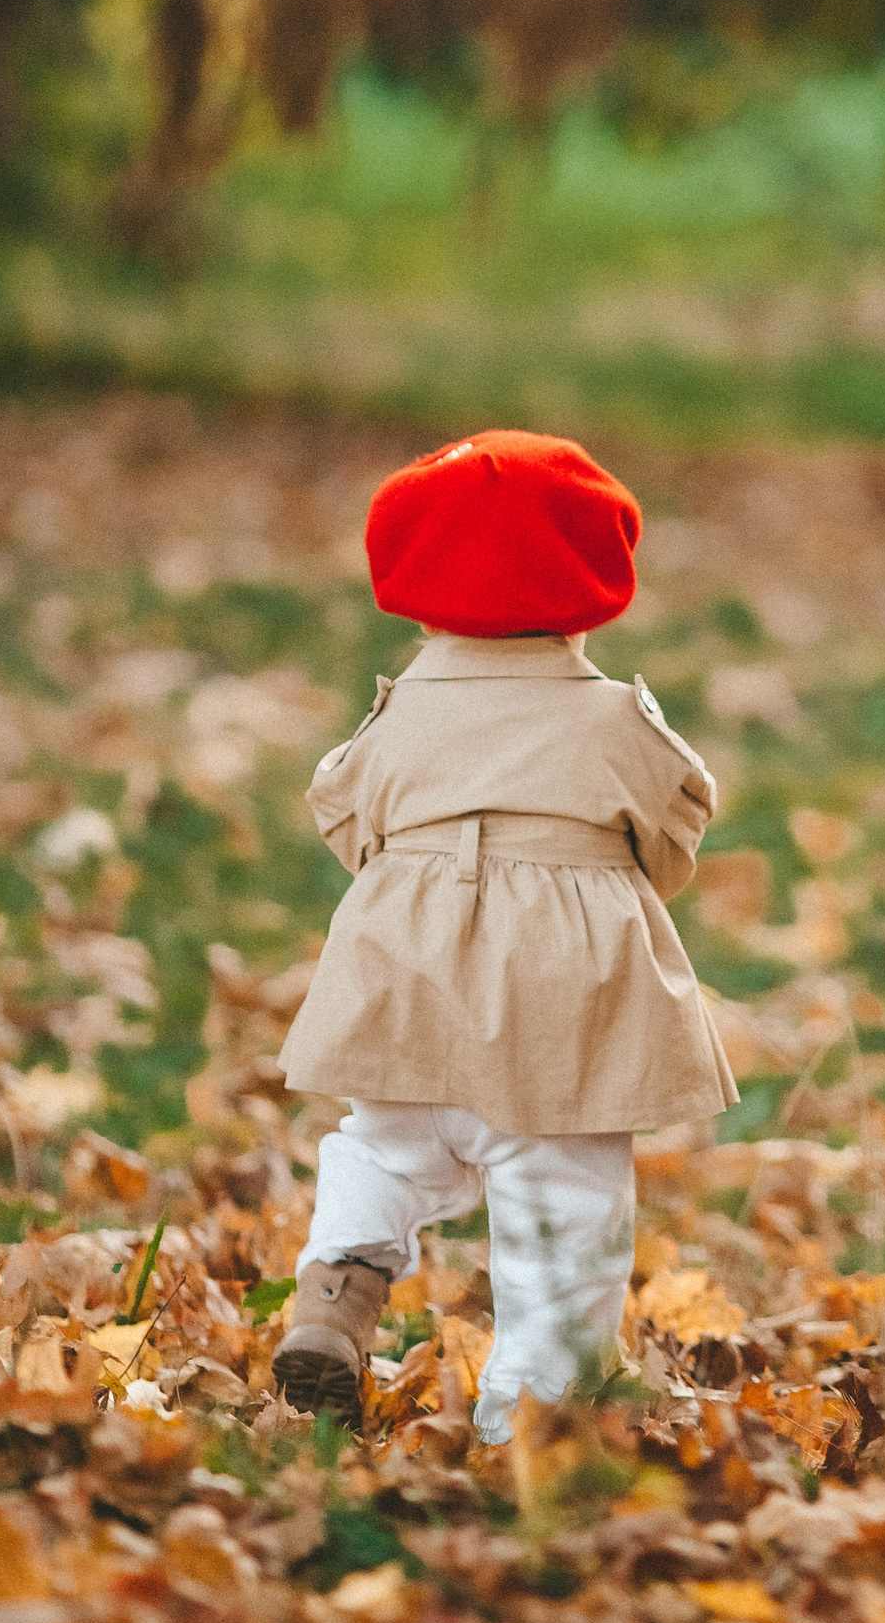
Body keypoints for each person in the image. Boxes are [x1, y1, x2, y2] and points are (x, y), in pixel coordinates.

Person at [274, 428, 736, 1437]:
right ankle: (529, 1418)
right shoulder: (617, 723)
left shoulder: (396, 721)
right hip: (555, 1033)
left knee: (384, 1152)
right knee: (562, 1213)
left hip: (404, 1006)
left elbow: (344, 818)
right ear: (594, 588)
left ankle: (338, 1289)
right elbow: (676, 830)